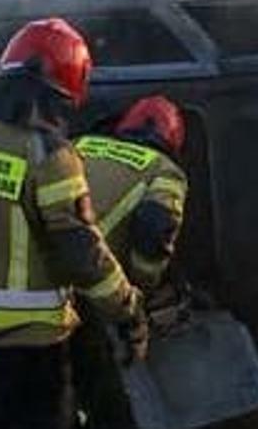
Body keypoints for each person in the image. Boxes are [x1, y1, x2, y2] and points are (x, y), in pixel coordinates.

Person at [0, 18, 147, 429]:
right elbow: (81, 252)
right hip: (34, 349)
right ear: (59, 97)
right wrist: (126, 308)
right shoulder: (50, 156)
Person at [68, 95, 192, 428]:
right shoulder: (167, 172)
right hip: (83, 289)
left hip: (25, 276)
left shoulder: (80, 144)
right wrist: (141, 289)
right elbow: (154, 233)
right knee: (99, 392)